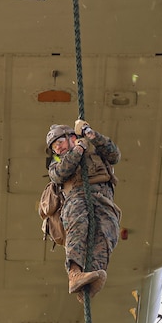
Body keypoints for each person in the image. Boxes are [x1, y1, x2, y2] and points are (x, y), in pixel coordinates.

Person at [45, 120, 121, 300]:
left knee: (107, 232)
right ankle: (74, 273)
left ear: (71, 137)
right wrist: (77, 150)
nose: (58, 148)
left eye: (60, 142)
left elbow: (114, 155)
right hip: (77, 198)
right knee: (79, 225)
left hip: (103, 200)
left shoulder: (94, 150)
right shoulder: (56, 165)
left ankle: (91, 277)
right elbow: (61, 173)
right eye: (54, 147)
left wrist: (89, 134)